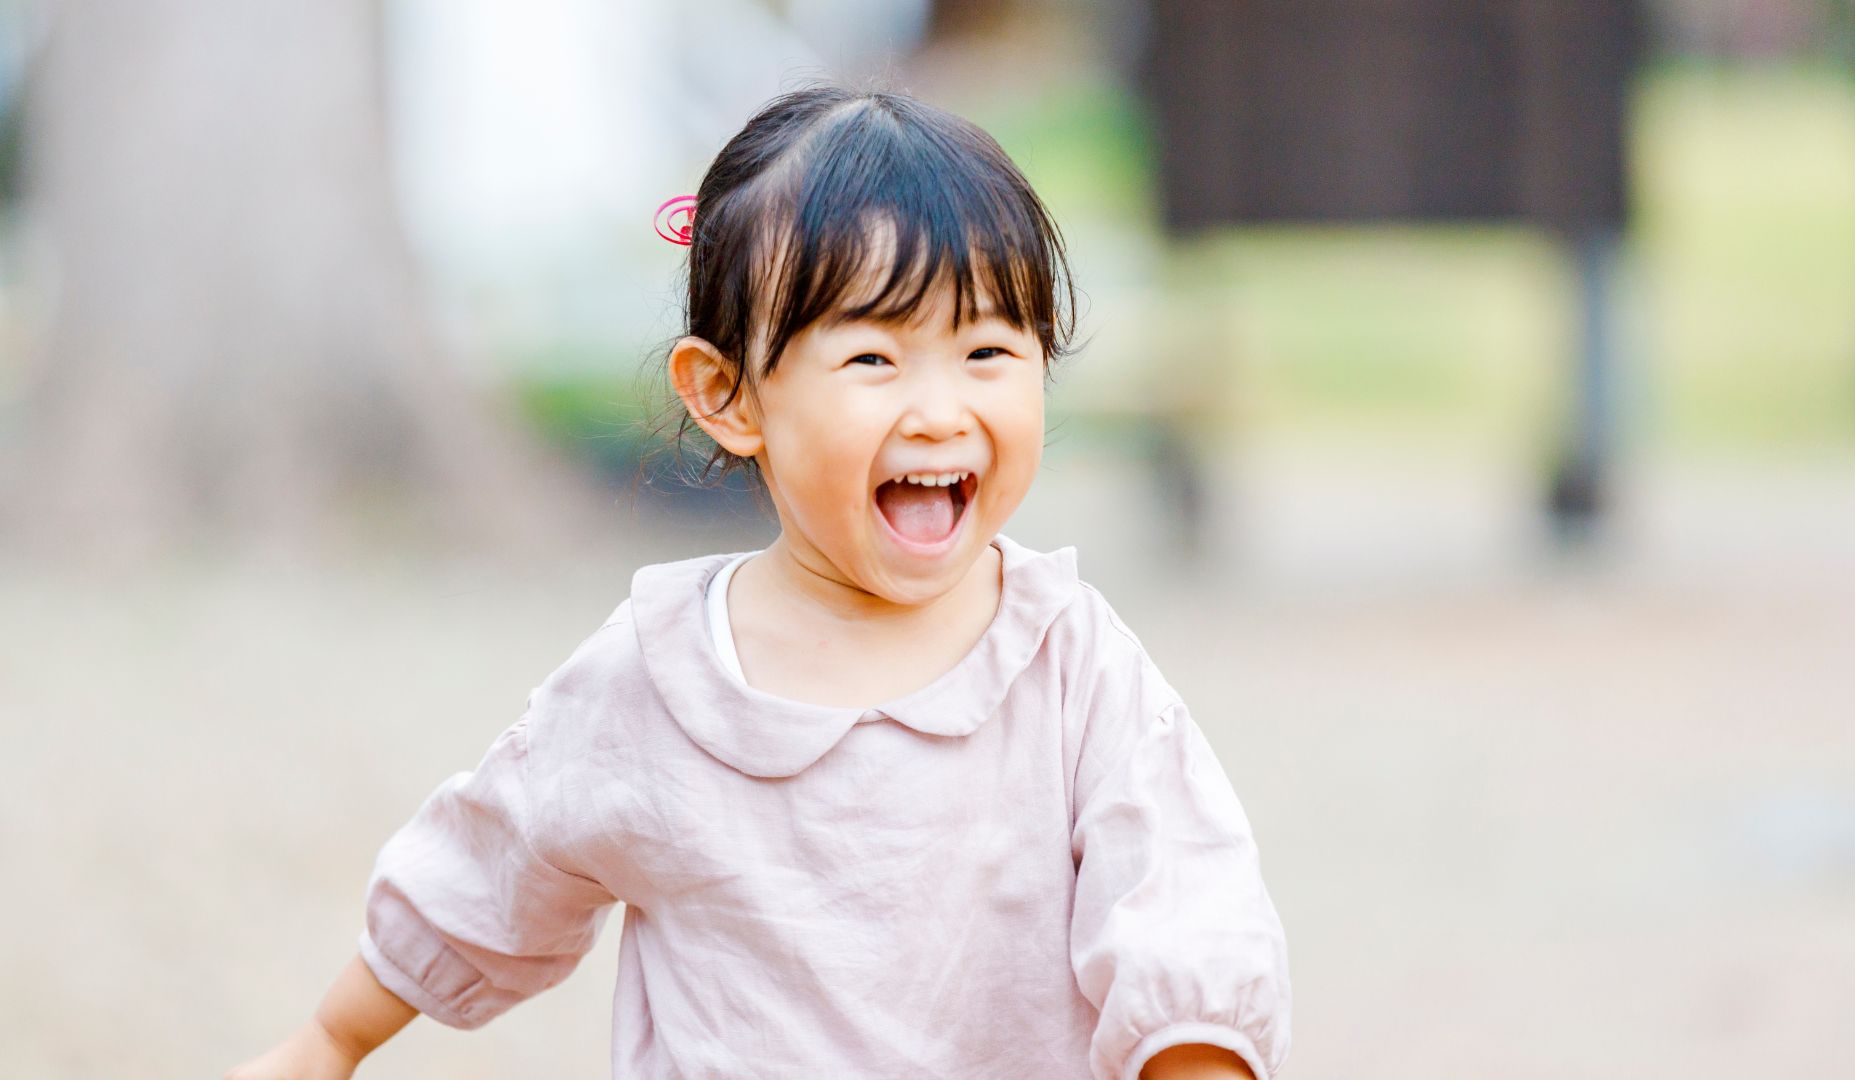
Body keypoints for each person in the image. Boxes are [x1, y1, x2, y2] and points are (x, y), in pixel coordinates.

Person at [226, 84, 1291, 1080]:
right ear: (729, 397)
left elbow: (1180, 898)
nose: (938, 408)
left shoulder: (1068, 663)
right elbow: (489, 863)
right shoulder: (660, 678)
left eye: (988, 352)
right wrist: (329, 1040)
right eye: (873, 360)